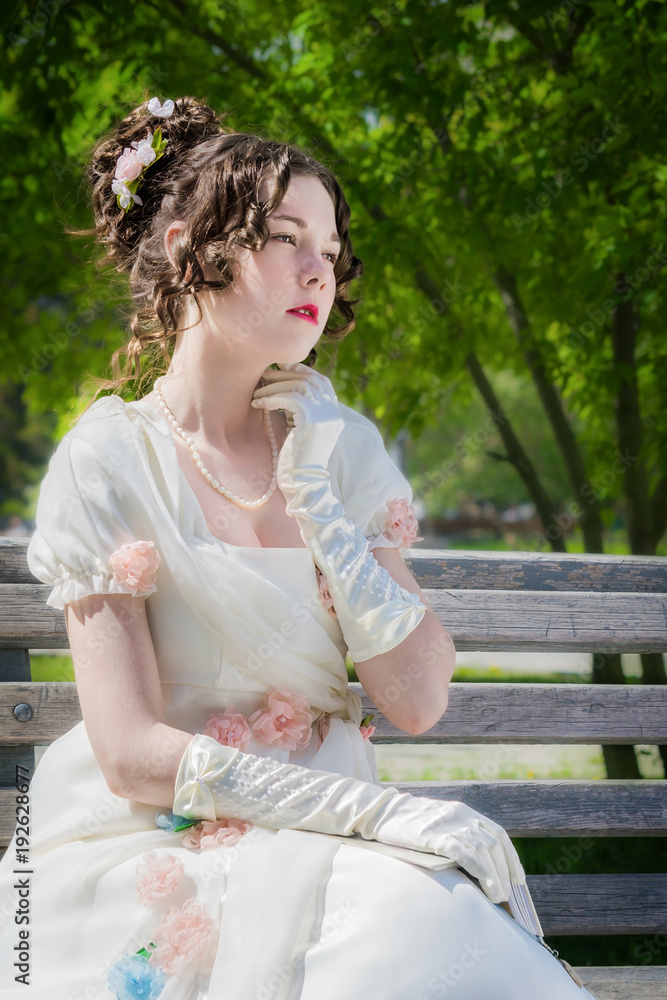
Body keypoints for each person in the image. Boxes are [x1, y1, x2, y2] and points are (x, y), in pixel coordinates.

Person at [0, 95, 594, 999]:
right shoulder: (108, 458)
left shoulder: (338, 443)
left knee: (419, 924)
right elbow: (127, 752)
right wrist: (368, 810)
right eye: (285, 238)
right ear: (188, 254)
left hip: (338, 846)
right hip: (156, 839)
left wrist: (321, 502)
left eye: (329, 250)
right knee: (412, 921)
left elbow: (418, 696)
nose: (317, 269)